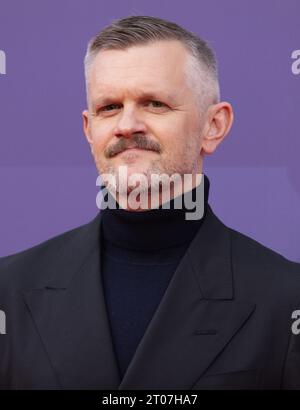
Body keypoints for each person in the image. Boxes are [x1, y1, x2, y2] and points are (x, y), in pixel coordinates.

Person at [1, 15, 300, 390]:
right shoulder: (8, 291)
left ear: (214, 126)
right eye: (109, 107)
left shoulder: (287, 298)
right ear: (88, 129)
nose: (127, 125)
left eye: (154, 103)